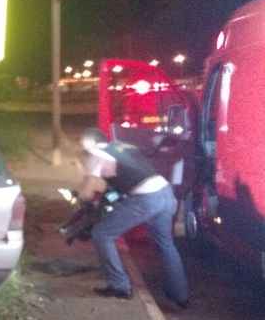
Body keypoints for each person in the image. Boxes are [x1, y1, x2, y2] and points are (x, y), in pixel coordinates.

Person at [76, 127, 189, 308]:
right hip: (165, 193)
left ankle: (119, 286)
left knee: (102, 234)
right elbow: (125, 175)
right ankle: (180, 295)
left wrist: (81, 196)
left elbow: (86, 193)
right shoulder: (123, 146)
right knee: (165, 243)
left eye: (84, 146)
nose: (84, 151)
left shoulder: (97, 154)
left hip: (145, 199)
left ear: (93, 143)